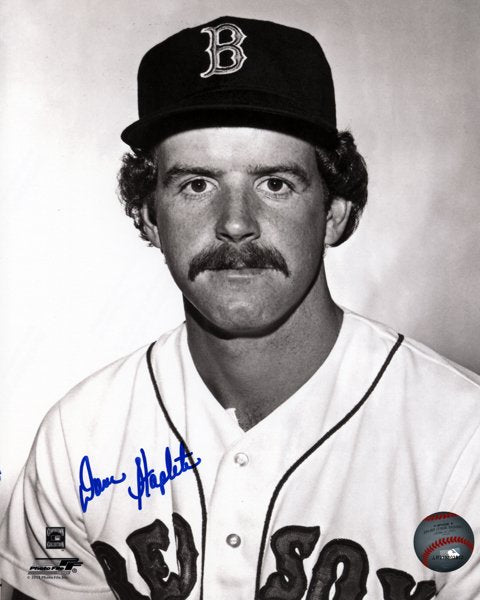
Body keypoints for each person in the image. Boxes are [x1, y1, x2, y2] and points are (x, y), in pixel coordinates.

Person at [1, 15, 479, 600]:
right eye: (196, 184)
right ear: (149, 218)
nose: (234, 223)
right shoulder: (78, 438)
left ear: (334, 213)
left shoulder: (463, 439)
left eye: (275, 183)